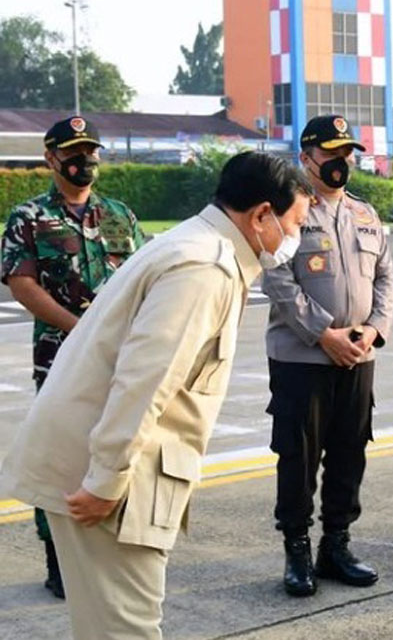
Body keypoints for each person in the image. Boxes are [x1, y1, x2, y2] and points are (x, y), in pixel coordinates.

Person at [0, 151, 312, 639]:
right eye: (295, 223)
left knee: (108, 627)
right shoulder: (203, 267)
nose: (295, 238)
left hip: (111, 465)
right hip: (113, 479)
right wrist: (106, 480)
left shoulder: (194, 243)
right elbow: (145, 381)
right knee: (126, 631)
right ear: (261, 215)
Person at [0, 116, 145, 599]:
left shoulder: (119, 214)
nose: (85, 161)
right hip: (59, 357)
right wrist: (80, 329)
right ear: (51, 158)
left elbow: (143, 280)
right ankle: (58, 557)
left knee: (119, 447)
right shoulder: (29, 217)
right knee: (63, 457)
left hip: (119, 360)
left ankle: (113, 546)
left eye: (91, 152)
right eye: (74, 153)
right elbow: (22, 284)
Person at [262, 115, 393, 597]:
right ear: (307, 157)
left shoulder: (364, 213)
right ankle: (296, 550)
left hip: (359, 357)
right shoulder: (288, 211)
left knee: (349, 452)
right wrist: (325, 334)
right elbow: (277, 279)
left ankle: (336, 545)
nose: (342, 163)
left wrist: (373, 331)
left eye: (348, 154)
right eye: (332, 153)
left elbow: (386, 278)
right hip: (302, 359)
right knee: (297, 457)